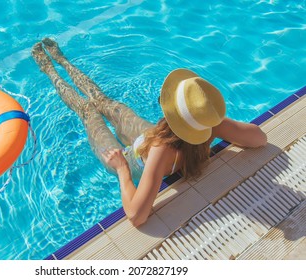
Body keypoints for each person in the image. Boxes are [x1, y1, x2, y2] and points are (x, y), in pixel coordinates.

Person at [32, 38, 267, 227]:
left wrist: (122, 168)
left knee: (87, 111)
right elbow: (260, 138)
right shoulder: (210, 125)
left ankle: (51, 70)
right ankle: (63, 61)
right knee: (103, 102)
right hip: (150, 134)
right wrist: (218, 122)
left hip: (131, 158)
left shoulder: (161, 150)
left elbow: (137, 215)